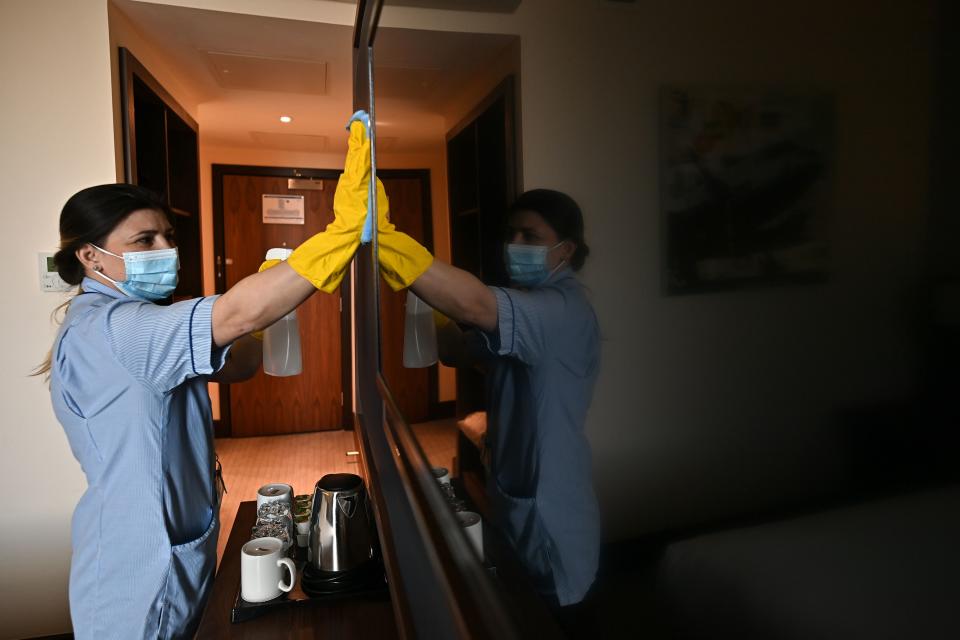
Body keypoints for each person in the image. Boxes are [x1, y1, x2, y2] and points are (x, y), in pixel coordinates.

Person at [36, 120, 372, 640]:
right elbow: (235, 317)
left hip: (164, 544)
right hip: (138, 564)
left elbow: (240, 363)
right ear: (88, 255)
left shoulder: (134, 322)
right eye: (144, 239)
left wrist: (267, 304)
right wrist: (341, 235)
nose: (165, 248)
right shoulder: (119, 327)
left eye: (167, 236)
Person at [376, 186, 602, 614]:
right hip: (517, 491)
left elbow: (478, 305)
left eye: (530, 236)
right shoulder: (532, 304)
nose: (514, 246)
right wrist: (431, 303)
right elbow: (457, 352)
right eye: (511, 234)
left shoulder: (561, 309)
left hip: (551, 508)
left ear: (566, 249)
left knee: (552, 614)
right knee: (520, 599)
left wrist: (392, 246)